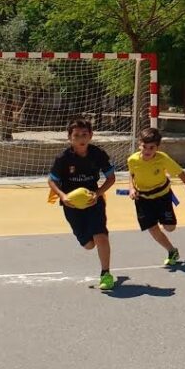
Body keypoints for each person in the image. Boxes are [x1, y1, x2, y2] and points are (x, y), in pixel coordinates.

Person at [48, 118, 117, 291]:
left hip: (94, 202)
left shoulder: (98, 154)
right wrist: (63, 196)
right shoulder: (63, 158)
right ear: (69, 137)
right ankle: (88, 239)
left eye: (84, 134)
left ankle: (106, 274)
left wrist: (98, 194)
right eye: (76, 135)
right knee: (89, 245)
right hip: (72, 206)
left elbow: (111, 178)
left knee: (100, 235)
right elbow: (52, 181)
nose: (81, 138)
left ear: (91, 136)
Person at [127, 127, 185, 266]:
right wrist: (131, 188)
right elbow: (132, 174)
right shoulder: (132, 160)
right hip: (143, 198)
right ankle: (172, 251)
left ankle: (163, 218)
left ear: (157, 147)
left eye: (151, 147)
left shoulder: (162, 159)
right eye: (144, 146)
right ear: (139, 144)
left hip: (162, 196)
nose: (147, 150)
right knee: (152, 228)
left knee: (170, 227)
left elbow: (180, 173)